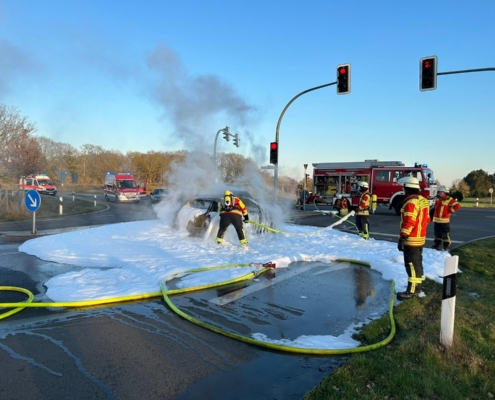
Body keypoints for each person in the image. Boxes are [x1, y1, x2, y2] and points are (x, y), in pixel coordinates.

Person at [397, 176, 430, 300]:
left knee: (411, 265)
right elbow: (427, 219)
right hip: (420, 238)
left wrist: (402, 237)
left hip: (411, 240)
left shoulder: (411, 202)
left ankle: (412, 291)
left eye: (404, 187)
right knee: (417, 264)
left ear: (407, 187)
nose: (403, 190)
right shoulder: (423, 200)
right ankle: (418, 287)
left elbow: (409, 222)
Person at [430, 185, 461, 251]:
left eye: (440, 192)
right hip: (437, 221)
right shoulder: (438, 199)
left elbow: (457, 206)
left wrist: (449, 212)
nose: (439, 193)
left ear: (445, 193)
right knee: (437, 234)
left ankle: (446, 246)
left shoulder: (449, 199)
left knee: (445, 235)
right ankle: (437, 245)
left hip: (444, 221)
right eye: (439, 192)